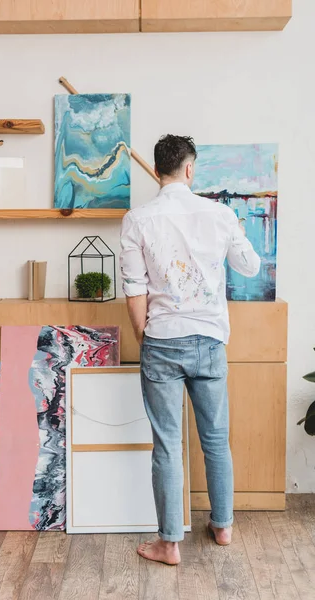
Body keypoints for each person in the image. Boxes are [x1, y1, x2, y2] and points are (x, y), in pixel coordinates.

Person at [120, 135, 260, 566]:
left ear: (159, 170)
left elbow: (134, 290)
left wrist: (145, 336)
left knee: (167, 444)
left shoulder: (137, 219)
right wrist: (229, 231)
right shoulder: (219, 214)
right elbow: (250, 267)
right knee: (216, 440)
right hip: (210, 340)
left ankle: (169, 543)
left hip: (161, 339)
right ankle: (222, 526)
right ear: (190, 169)